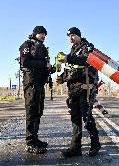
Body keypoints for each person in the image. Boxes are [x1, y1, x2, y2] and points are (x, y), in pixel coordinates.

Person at [57, 27, 101, 157]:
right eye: (69, 36)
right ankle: (75, 148)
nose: (71, 38)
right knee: (75, 119)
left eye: (73, 35)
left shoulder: (87, 46)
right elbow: (71, 70)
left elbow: (86, 60)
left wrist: (68, 59)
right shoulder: (72, 51)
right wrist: (62, 78)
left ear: (79, 36)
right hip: (73, 89)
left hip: (85, 88)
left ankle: (95, 144)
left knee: (86, 118)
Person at [19, 26, 52, 154]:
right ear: (35, 34)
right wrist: (44, 64)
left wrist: (50, 68)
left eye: (45, 34)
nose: (44, 36)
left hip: (40, 83)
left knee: (38, 111)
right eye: (41, 33)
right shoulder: (27, 45)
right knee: (32, 112)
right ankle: (30, 143)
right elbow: (25, 62)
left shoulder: (42, 47)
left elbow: (43, 64)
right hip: (31, 82)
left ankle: (35, 138)